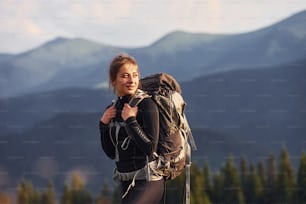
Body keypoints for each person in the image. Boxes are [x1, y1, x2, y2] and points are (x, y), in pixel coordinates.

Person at [99, 53, 165, 204]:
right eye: (125, 76)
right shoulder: (112, 109)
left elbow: (150, 148)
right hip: (127, 182)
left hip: (150, 180)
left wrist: (130, 120)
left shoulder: (146, 105)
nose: (131, 80)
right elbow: (111, 153)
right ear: (114, 80)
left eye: (135, 75)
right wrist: (103, 125)